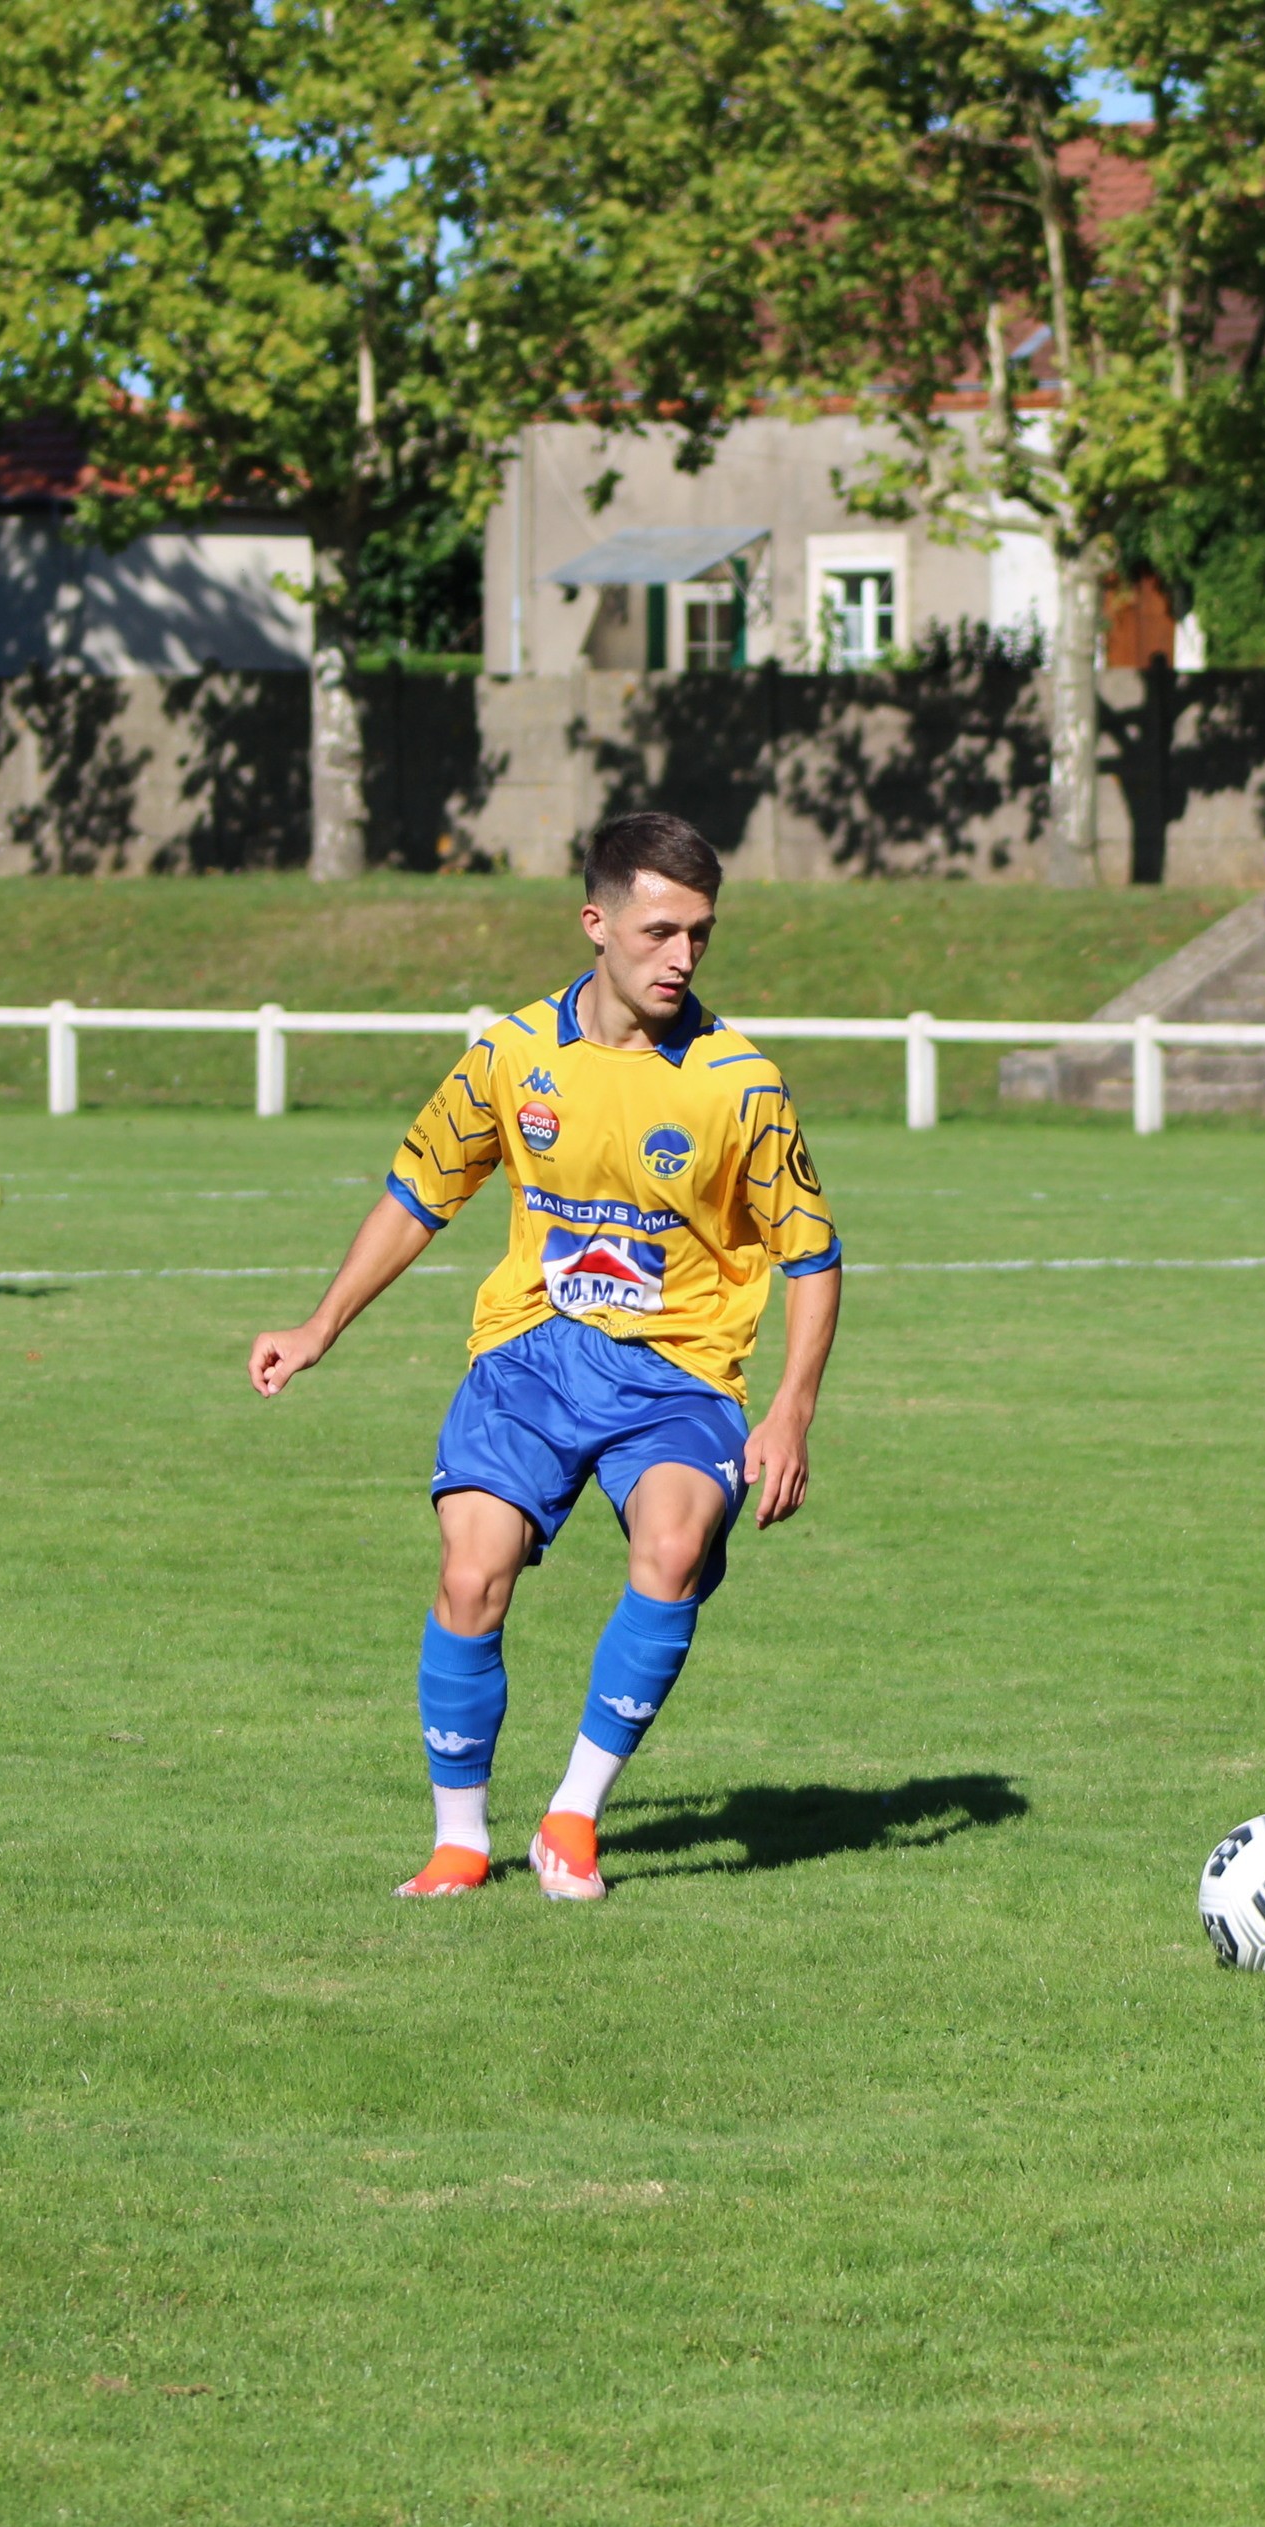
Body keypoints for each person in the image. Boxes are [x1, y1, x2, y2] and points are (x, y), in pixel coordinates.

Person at [247, 811, 845, 1901]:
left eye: (701, 934)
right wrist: (318, 1324)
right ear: (596, 922)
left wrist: (792, 1412)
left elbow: (812, 1253)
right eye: (660, 931)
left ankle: (573, 1815)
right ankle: (459, 1841)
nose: (683, 957)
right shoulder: (514, 1054)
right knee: (469, 1576)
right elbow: (421, 1190)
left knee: (669, 1551)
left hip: (679, 1374)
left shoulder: (738, 1081)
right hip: (530, 1357)